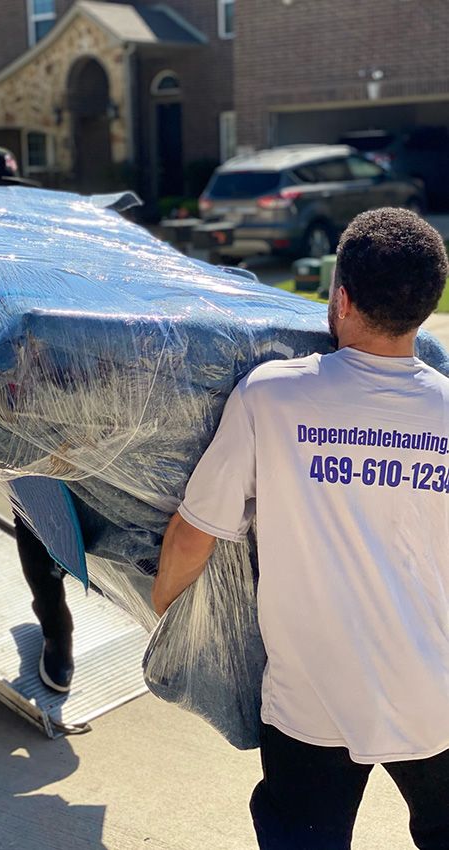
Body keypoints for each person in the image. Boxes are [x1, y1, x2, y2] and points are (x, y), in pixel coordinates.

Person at [152, 207, 449, 849]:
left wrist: (165, 616)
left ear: (339, 298)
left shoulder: (273, 397)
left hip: (313, 700)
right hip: (434, 694)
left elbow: (193, 533)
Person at [0, 146, 74, 693]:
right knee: (35, 518)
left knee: (85, 515)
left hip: (74, 394)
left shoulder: (43, 239)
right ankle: (57, 632)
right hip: (15, 405)